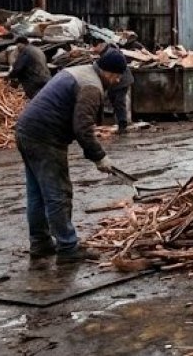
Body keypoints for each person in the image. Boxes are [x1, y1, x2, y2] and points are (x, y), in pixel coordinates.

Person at [14, 48, 128, 263]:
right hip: (45, 137)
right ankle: (67, 247)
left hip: (26, 130)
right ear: (108, 72)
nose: (118, 80)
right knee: (58, 193)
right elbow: (82, 127)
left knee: (37, 192)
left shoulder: (79, 70)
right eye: (117, 75)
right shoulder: (91, 87)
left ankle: (40, 243)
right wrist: (99, 156)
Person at [91, 41, 134, 134]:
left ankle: (122, 125)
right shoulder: (106, 53)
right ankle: (104, 123)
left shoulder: (111, 53)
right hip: (112, 82)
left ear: (101, 44)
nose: (93, 49)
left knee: (119, 102)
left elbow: (98, 65)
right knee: (111, 100)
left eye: (95, 46)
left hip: (122, 81)